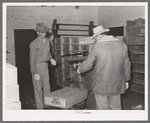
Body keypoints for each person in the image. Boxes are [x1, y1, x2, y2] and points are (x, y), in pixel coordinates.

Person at [76, 25, 131, 110]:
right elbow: (127, 65)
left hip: (101, 84)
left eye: (95, 37)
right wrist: (126, 80)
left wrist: (79, 69)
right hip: (117, 83)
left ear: (98, 36)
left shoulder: (97, 47)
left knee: (102, 109)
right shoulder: (123, 45)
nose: (95, 40)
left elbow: (88, 64)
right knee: (116, 107)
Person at [29, 22, 56, 109]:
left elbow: (48, 53)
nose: (44, 34)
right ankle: (40, 108)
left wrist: (51, 59)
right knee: (38, 89)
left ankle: (47, 105)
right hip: (37, 66)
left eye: (45, 32)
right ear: (37, 32)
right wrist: (35, 73)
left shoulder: (47, 41)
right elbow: (32, 60)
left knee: (47, 87)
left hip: (45, 66)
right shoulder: (33, 44)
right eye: (42, 33)